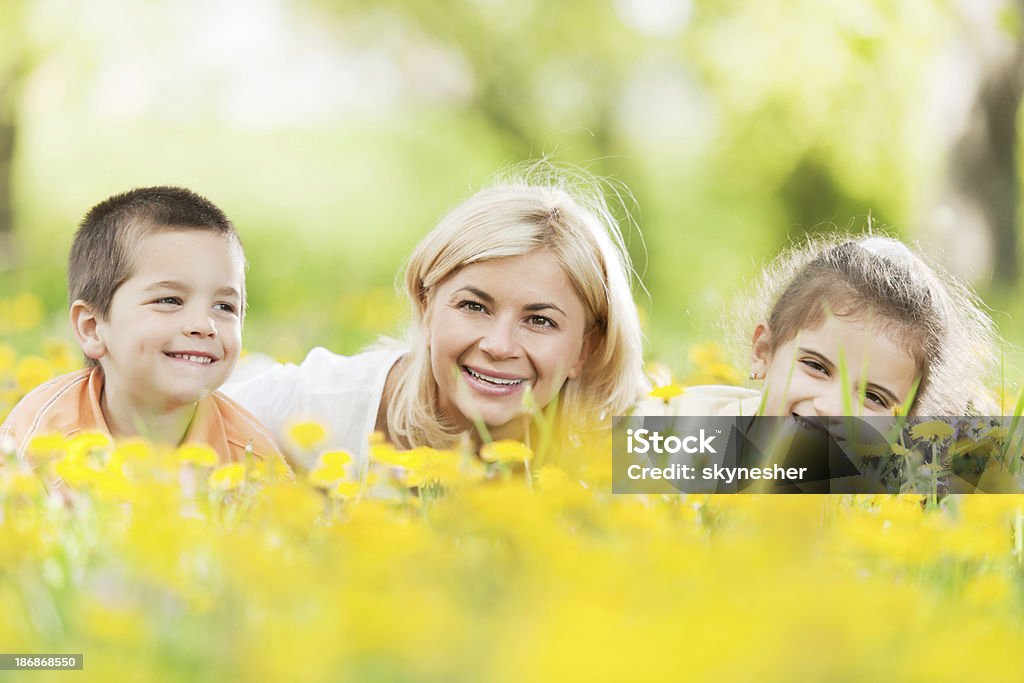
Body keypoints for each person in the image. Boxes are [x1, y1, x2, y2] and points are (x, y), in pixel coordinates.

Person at [223, 169, 648, 469]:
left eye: (539, 321)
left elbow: (713, 470)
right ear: (426, 309)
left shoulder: (618, 442)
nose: (499, 346)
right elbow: (169, 425)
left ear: (585, 349)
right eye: (474, 307)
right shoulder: (318, 407)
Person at [0, 187, 285, 468]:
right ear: (92, 328)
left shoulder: (252, 458)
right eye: (170, 300)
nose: (204, 325)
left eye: (224, 306)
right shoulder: (41, 440)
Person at [651, 234, 999, 417]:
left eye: (874, 397)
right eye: (816, 367)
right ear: (763, 353)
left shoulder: (899, 500)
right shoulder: (677, 435)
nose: (832, 409)